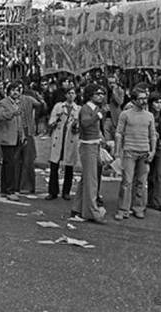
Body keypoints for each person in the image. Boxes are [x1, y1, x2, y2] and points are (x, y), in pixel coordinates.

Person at [113, 87, 156, 221]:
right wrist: (116, 152)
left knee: (141, 182)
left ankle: (139, 208)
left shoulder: (150, 116)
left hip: (144, 152)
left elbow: (152, 135)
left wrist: (152, 151)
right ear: (134, 100)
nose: (144, 101)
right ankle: (123, 209)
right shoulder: (125, 114)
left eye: (145, 98)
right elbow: (119, 133)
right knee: (127, 181)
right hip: (129, 151)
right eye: (141, 98)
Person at [69, 84, 108, 224]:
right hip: (87, 146)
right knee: (91, 181)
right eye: (98, 93)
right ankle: (91, 212)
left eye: (102, 94)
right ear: (90, 95)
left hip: (94, 144)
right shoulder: (87, 108)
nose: (101, 96)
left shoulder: (96, 108)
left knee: (87, 178)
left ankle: (77, 208)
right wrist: (98, 116)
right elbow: (85, 123)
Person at [45, 87, 80, 201]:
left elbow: (79, 126)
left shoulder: (78, 109)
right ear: (65, 95)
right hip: (58, 137)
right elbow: (51, 121)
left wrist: (76, 125)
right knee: (54, 165)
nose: (71, 95)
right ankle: (53, 191)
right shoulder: (59, 106)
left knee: (69, 166)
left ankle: (66, 191)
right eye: (69, 93)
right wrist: (56, 120)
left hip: (70, 139)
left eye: (73, 93)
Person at [0, 82, 24, 201]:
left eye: (17, 90)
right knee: (9, 164)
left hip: (16, 137)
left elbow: (21, 121)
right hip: (6, 138)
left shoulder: (19, 103)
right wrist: (11, 113)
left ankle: (5, 188)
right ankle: (10, 190)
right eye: (13, 90)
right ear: (8, 91)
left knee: (9, 163)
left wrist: (23, 135)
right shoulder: (4, 103)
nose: (15, 92)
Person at [17, 83, 45, 194]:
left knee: (23, 160)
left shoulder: (26, 99)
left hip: (24, 131)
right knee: (26, 160)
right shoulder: (27, 100)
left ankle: (22, 185)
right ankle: (25, 185)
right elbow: (40, 105)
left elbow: (40, 106)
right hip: (24, 131)